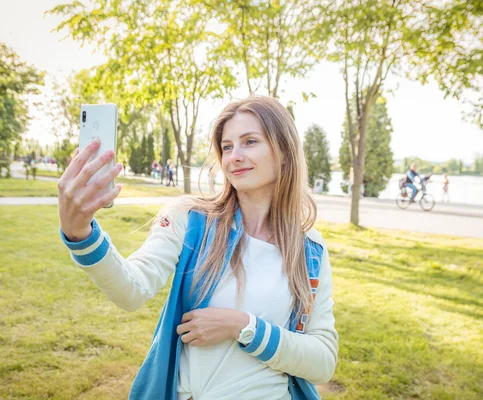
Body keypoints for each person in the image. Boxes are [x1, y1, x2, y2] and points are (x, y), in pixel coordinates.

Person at [56, 95, 338, 400]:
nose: (234, 156)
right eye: (227, 147)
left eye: (250, 142)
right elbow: (132, 289)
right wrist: (80, 233)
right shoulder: (188, 218)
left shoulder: (310, 249)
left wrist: (244, 327)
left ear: (284, 151)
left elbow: (322, 362)